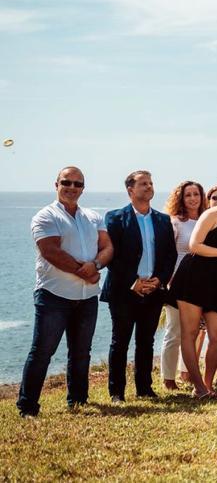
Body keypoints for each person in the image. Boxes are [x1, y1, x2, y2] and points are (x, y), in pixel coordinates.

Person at [17, 167, 111, 418]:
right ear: (56, 184)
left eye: (77, 184)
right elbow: (50, 251)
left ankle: (78, 400)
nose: (72, 187)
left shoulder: (92, 216)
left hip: (87, 295)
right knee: (42, 352)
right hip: (54, 295)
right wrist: (85, 270)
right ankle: (27, 407)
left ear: (83, 188)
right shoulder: (45, 216)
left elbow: (107, 246)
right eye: (66, 182)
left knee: (82, 352)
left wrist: (97, 265)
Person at [103, 170, 178, 402]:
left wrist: (159, 280)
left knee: (146, 341)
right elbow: (111, 255)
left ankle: (144, 388)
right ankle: (117, 393)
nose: (149, 187)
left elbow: (170, 255)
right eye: (143, 183)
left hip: (154, 290)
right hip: (124, 291)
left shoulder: (163, 220)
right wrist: (133, 282)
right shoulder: (115, 218)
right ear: (130, 190)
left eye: (151, 183)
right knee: (120, 341)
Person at [170, 176, 217, 398]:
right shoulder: (211, 214)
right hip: (193, 276)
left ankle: (207, 385)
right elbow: (194, 245)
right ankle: (199, 387)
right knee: (190, 334)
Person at [163, 180, 205, 391]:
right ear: (181, 198)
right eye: (188, 195)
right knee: (175, 330)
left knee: (194, 331)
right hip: (177, 282)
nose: (192, 199)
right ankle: (168, 378)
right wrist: (169, 280)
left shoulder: (207, 219)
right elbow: (169, 254)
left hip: (202, 282)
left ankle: (187, 372)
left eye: (196, 194)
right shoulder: (176, 222)